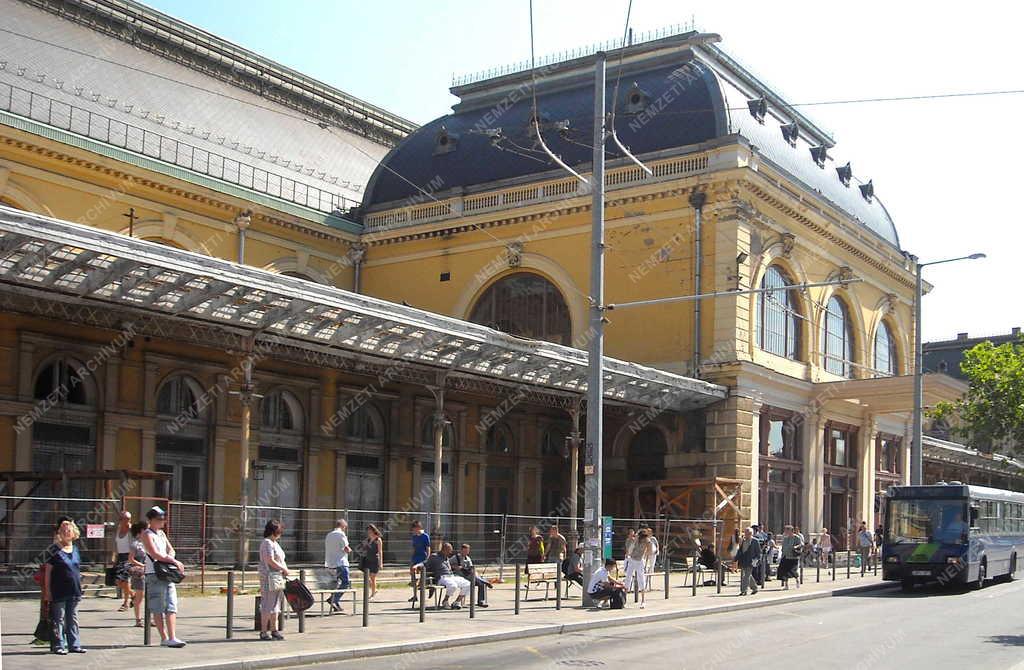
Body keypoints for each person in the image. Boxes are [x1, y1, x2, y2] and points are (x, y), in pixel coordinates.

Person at [141, 506, 186, 648]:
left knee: (171, 605)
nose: (162, 522)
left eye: (163, 519)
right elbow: (154, 554)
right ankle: (164, 637)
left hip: (166, 573)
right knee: (158, 606)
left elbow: (170, 549)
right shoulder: (147, 534)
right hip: (154, 573)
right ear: (150, 520)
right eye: (158, 519)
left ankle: (172, 636)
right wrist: (172, 560)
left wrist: (171, 556)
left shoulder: (161, 534)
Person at [42, 518, 86, 654]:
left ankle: (74, 644)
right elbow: (48, 572)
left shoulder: (76, 549)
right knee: (58, 618)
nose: (67, 532)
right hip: (58, 590)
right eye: (64, 530)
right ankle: (58, 645)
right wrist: (47, 591)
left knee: (72, 618)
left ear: (74, 533)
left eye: (69, 530)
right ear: (60, 533)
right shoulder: (53, 550)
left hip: (74, 589)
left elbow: (76, 569)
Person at [258, 519, 288, 641]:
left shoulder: (274, 543)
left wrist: (284, 569)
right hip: (269, 577)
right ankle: (264, 631)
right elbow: (270, 560)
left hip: (277, 577)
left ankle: (274, 629)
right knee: (267, 604)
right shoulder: (267, 543)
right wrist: (283, 568)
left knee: (276, 604)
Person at [425, 542, 469, 609]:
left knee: (468, 584)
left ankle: (456, 602)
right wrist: (416, 566)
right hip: (442, 577)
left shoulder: (447, 558)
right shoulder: (434, 556)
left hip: (451, 576)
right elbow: (425, 563)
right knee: (453, 586)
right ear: (444, 550)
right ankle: (445, 601)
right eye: (449, 551)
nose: (450, 552)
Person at [451, 543, 491, 607]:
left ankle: (481, 601)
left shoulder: (468, 558)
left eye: (467, 551)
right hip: (460, 576)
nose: (466, 553)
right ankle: (485, 581)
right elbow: (449, 565)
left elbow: (472, 568)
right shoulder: (455, 557)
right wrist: (456, 567)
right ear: (461, 550)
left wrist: (475, 573)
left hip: (468, 575)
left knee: (481, 584)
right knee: (478, 580)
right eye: (464, 551)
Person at [324, 518, 352, 612]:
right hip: (341, 563)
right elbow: (346, 548)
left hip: (330, 563)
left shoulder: (329, 535)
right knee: (345, 583)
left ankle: (335, 601)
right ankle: (333, 599)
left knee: (336, 584)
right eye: (345, 527)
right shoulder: (341, 535)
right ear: (343, 526)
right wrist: (350, 551)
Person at [128, 520, 148, 627]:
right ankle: (138, 619)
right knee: (140, 597)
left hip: (148, 572)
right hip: (138, 572)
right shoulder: (135, 544)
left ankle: (151, 618)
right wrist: (142, 565)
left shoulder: (147, 543)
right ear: (142, 530)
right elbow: (131, 559)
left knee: (149, 596)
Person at [112, 510, 133, 612]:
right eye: (124, 519)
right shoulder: (118, 529)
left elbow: (135, 544)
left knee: (124, 579)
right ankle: (133, 594)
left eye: (128, 519)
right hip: (120, 556)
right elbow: (116, 543)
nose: (127, 521)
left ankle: (126, 603)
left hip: (128, 556)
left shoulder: (131, 530)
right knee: (118, 581)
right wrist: (114, 556)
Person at [734, 527, 761, 596]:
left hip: (751, 561)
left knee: (745, 576)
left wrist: (757, 560)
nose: (745, 534)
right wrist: (735, 558)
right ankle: (755, 588)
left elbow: (758, 552)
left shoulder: (755, 541)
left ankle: (744, 590)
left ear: (750, 533)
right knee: (748, 576)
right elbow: (740, 551)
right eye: (745, 533)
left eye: (747, 533)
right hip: (743, 560)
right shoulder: (743, 541)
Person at [625, 527, 653, 593]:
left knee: (641, 577)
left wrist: (645, 555)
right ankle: (625, 593)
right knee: (628, 577)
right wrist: (628, 553)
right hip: (632, 559)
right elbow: (631, 546)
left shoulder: (647, 540)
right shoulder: (637, 539)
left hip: (640, 560)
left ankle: (643, 598)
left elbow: (650, 551)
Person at [361, 525, 383, 597]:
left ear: (374, 530)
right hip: (367, 560)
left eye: (370, 530)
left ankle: (373, 592)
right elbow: (365, 549)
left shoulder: (378, 540)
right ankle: (374, 589)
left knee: (372, 577)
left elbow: (380, 551)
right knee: (368, 577)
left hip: (375, 560)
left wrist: (381, 562)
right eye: (368, 530)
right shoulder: (367, 540)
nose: (369, 532)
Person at [778, 525, 802, 589]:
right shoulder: (785, 538)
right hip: (785, 556)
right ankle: (786, 585)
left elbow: (801, 544)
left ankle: (797, 580)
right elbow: (783, 547)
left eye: (787, 530)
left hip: (793, 557)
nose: (785, 532)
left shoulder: (796, 537)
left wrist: (796, 547)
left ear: (791, 531)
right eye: (785, 530)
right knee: (784, 571)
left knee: (792, 570)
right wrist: (782, 555)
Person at [409, 520, 431, 586]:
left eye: (415, 529)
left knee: (421, 570)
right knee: (412, 568)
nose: (414, 531)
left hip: (423, 556)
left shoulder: (425, 536)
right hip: (416, 556)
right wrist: (412, 557)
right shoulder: (414, 537)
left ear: (419, 528)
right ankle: (414, 581)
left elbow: (428, 548)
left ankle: (421, 582)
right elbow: (414, 547)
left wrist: (427, 558)